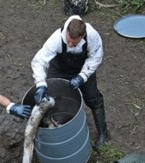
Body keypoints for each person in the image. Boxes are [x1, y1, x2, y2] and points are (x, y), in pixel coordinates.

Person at [31, 15, 109, 149]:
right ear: (66, 31)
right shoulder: (56, 39)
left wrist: (82, 76)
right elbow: (38, 61)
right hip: (59, 68)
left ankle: (103, 133)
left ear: (83, 35)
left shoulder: (92, 36)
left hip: (83, 68)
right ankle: (56, 127)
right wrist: (41, 85)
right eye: (69, 41)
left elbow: (96, 57)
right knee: (53, 98)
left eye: (75, 43)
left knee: (93, 99)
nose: (71, 45)